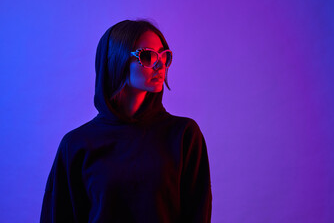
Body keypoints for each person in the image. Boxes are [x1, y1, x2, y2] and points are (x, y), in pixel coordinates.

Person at [40, 19, 212, 223]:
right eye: (147, 55)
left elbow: (197, 214)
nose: (160, 64)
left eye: (164, 56)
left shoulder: (184, 135)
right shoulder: (76, 144)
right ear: (117, 60)